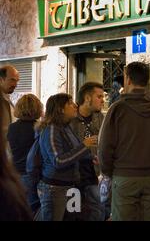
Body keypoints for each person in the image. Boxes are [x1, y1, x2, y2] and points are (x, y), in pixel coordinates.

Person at [99, 62, 150, 221]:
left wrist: (109, 172)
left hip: (124, 177)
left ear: (127, 79)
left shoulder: (117, 109)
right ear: (148, 80)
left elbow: (105, 147)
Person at [37, 93, 92, 221]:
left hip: (70, 185)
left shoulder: (66, 127)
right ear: (61, 109)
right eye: (70, 103)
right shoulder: (52, 129)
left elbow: (72, 152)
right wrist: (84, 146)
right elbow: (58, 160)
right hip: (55, 188)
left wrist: (88, 157)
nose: (75, 105)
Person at [69, 82, 105, 221]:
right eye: (99, 96)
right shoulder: (71, 118)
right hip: (73, 175)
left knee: (99, 209)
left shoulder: (100, 118)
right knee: (75, 212)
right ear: (87, 98)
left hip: (93, 173)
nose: (103, 100)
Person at [6, 94, 43, 214]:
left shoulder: (11, 128)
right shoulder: (39, 128)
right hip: (33, 173)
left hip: (16, 173)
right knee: (34, 208)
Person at [0, 115, 32, 221]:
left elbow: (9, 150)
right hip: (31, 172)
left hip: (15, 169)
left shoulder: (12, 127)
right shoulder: (38, 127)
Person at [0, 65, 20, 153]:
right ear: (1, 79)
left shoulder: (7, 98)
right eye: (12, 80)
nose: (15, 85)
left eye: (17, 81)